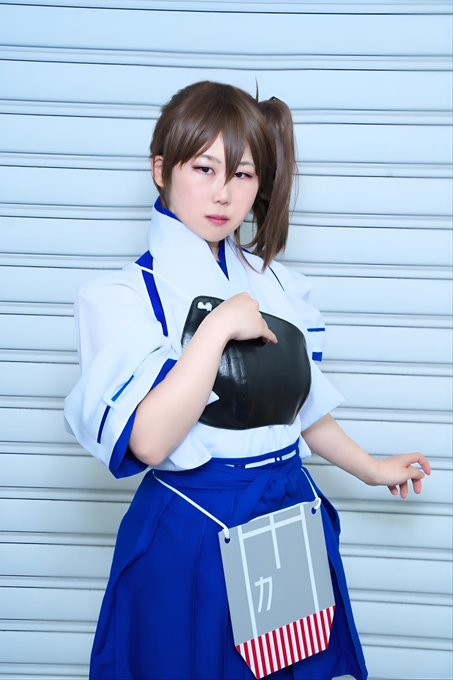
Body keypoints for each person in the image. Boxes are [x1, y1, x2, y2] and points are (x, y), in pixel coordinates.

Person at [64, 81, 431, 680]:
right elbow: (150, 442)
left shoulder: (276, 284)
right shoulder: (123, 296)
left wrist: (371, 468)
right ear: (161, 169)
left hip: (285, 515)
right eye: (204, 168)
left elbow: (299, 410)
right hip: (194, 524)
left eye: (242, 175)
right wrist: (215, 330)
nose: (223, 193)